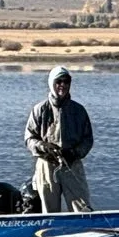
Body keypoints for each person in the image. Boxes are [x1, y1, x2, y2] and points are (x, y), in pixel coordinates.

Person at [25, 65, 94, 212]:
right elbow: (29, 139)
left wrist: (75, 153)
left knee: (82, 209)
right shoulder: (39, 109)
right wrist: (43, 147)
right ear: (51, 84)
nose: (62, 85)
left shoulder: (79, 111)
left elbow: (88, 140)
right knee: (49, 211)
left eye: (66, 81)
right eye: (58, 82)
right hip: (46, 165)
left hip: (72, 164)